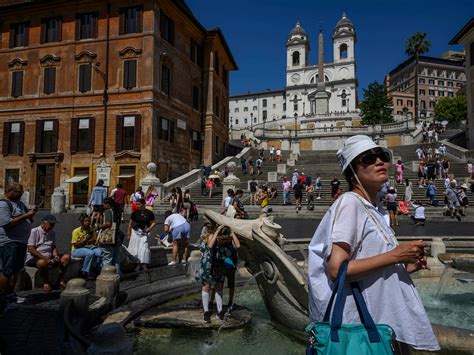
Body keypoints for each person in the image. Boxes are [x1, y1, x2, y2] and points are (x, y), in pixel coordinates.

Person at [308, 135, 439, 353]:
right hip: (361, 324)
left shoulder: (374, 209)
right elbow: (336, 269)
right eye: (368, 158)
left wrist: (404, 266)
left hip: (379, 320)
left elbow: (370, 262)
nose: (379, 161)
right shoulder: (350, 203)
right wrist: (396, 256)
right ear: (352, 171)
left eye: (382, 156)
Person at [0, 183, 36, 302]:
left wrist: (31, 213)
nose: (20, 196)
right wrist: (26, 215)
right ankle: (2, 297)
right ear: (9, 191)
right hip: (10, 242)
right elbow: (7, 224)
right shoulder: (4, 204)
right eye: (18, 193)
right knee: (8, 271)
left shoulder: (20, 204)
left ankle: (11, 295)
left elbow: (27, 217)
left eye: (21, 193)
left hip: (21, 241)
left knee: (16, 270)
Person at [25, 215, 70, 292]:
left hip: (49, 256)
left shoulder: (52, 232)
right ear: (43, 223)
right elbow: (31, 249)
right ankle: (46, 283)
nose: (52, 226)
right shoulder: (34, 231)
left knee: (66, 257)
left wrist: (55, 256)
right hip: (34, 257)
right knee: (42, 262)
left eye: (53, 224)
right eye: (51, 224)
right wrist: (45, 258)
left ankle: (60, 279)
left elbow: (53, 247)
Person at [208, 225, 240, 321]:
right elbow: (210, 244)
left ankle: (230, 301)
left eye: (226, 237)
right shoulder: (217, 241)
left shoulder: (229, 242)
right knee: (217, 286)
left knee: (231, 285)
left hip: (230, 266)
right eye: (223, 237)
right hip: (220, 267)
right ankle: (211, 301)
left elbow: (238, 245)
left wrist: (232, 233)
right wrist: (217, 231)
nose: (224, 239)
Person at [71, 213, 103, 279]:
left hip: (89, 247)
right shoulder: (76, 231)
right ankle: (84, 271)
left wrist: (96, 241)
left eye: (89, 221)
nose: (88, 222)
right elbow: (75, 244)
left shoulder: (91, 230)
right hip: (77, 250)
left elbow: (94, 241)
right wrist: (85, 240)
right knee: (90, 253)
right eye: (86, 221)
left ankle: (96, 269)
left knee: (100, 252)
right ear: (82, 222)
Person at [127, 198, 156, 270]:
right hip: (135, 232)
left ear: (143, 204)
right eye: (136, 204)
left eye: (139, 204)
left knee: (144, 248)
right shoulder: (134, 213)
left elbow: (154, 222)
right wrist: (129, 234)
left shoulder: (149, 213)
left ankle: (142, 264)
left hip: (144, 233)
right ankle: (138, 264)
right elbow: (130, 224)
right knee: (135, 248)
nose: (137, 206)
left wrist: (149, 229)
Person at [98, 198, 123, 274]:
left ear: (108, 204)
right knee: (116, 258)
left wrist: (99, 227)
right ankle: (117, 274)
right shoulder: (117, 212)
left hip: (109, 239)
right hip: (117, 237)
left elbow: (108, 224)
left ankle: (106, 275)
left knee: (107, 258)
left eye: (104, 204)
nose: (103, 205)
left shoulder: (108, 212)